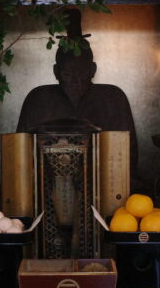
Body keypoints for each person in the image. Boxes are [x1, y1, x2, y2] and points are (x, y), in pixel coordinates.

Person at [16, 9, 138, 173]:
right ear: (56, 72)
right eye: (67, 74)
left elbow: (127, 159)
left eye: (82, 73)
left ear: (93, 70)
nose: (75, 81)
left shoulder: (113, 99)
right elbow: (20, 159)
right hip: (47, 183)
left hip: (102, 180)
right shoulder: (38, 100)